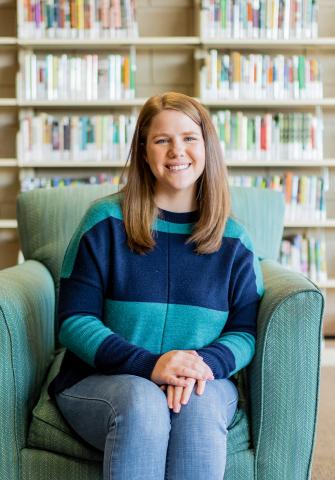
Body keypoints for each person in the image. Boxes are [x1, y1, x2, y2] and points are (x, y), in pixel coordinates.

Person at [48, 91, 264, 479]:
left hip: (202, 382)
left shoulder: (235, 240)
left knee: (197, 404)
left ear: (207, 147)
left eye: (189, 138)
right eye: (162, 140)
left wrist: (200, 366)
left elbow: (244, 332)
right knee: (144, 401)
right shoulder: (104, 221)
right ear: (144, 152)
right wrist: (150, 366)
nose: (176, 151)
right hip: (106, 382)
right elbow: (74, 319)